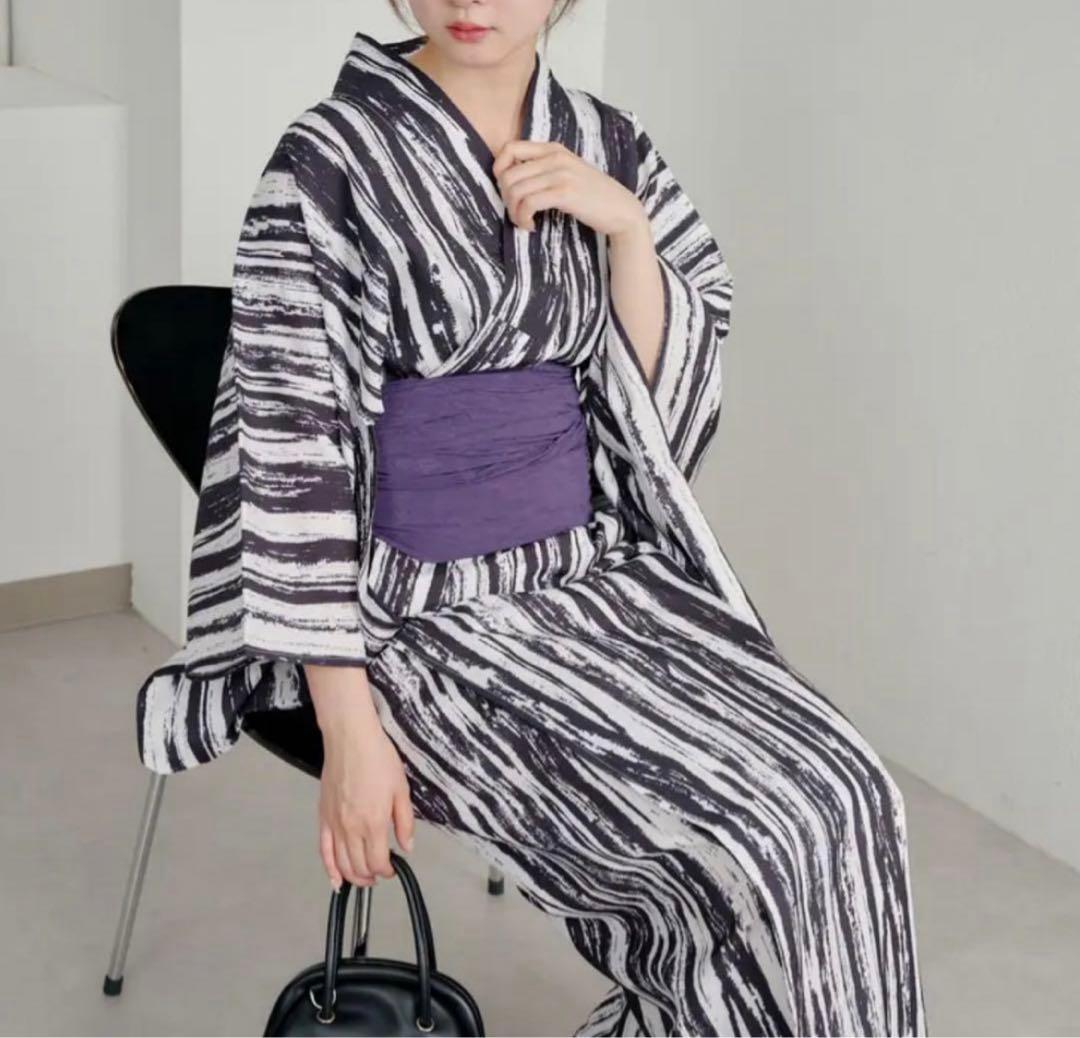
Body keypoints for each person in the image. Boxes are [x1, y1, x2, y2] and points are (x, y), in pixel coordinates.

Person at [135, 1, 928, 1034]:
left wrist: (627, 230)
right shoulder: (326, 159)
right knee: (744, 835)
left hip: (595, 575)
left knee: (848, 793)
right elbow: (293, 452)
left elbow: (661, 420)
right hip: (415, 613)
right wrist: (348, 728)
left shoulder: (606, 141)